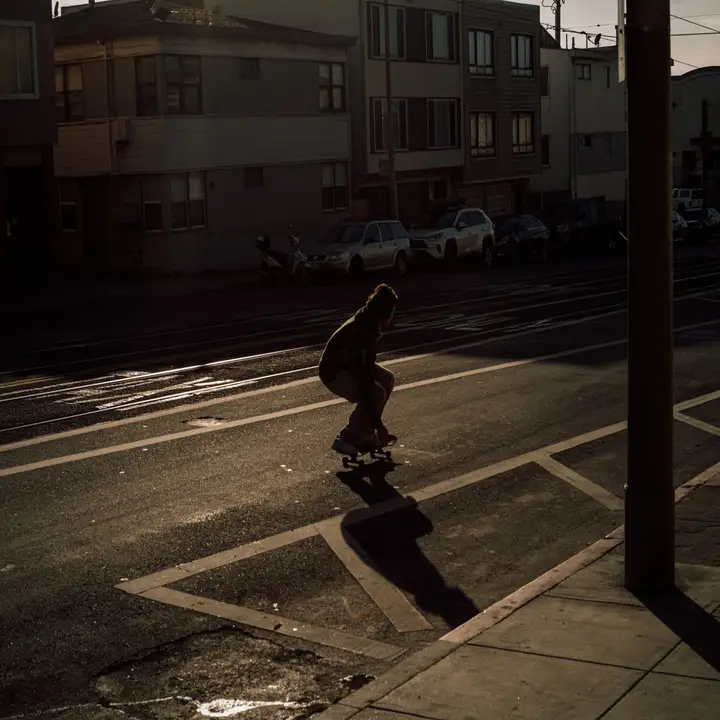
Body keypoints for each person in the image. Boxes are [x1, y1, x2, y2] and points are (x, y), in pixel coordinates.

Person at [319, 284, 398, 454]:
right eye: (392, 311)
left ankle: (366, 433)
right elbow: (365, 380)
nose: (393, 315)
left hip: (347, 365)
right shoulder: (364, 333)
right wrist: (380, 425)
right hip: (334, 372)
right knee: (376, 393)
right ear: (385, 313)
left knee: (388, 379)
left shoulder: (367, 319)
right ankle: (349, 436)